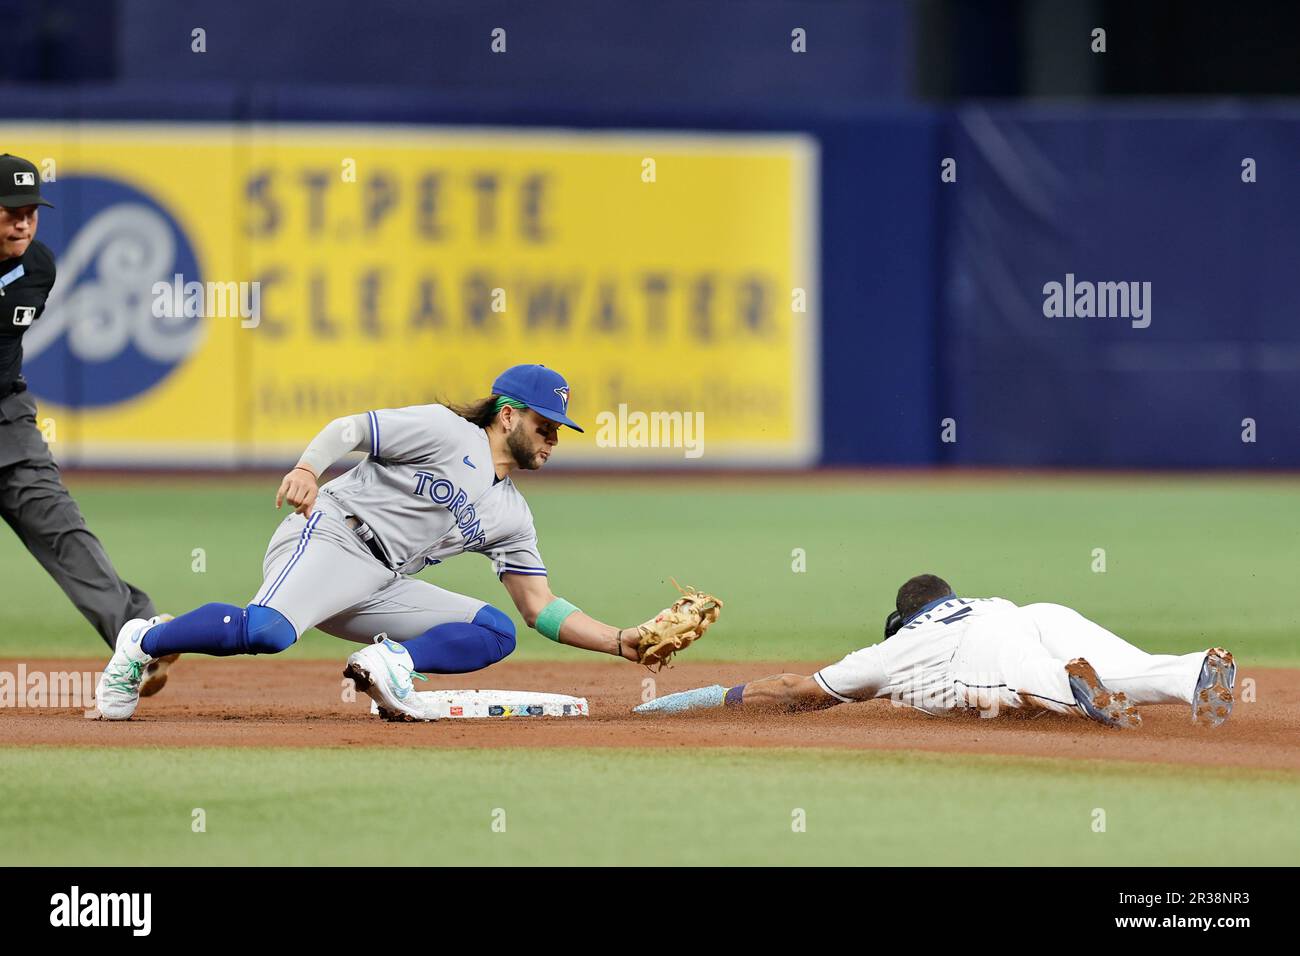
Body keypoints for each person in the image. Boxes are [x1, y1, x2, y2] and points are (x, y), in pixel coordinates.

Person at [94, 364, 681, 721]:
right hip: (330, 534)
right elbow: (351, 430)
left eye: (558, 430)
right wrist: (307, 468)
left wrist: (621, 641)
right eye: (544, 424)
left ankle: (392, 665)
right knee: (269, 633)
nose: (553, 438)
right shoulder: (446, 430)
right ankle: (143, 640)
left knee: (495, 631)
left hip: (381, 581)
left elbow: (539, 608)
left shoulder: (512, 514)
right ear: (507, 415)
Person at [634, 573, 1236, 729]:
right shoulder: (979, 602)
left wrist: (706, 697)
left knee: (1031, 682)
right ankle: (1192, 674)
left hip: (981, 652)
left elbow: (796, 691)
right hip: (1031, 613)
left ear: (902, 620)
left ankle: (1076, 690)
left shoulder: (896, 650)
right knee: (1127, 667)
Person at [0, 153, 174, 695]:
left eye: (30, 210)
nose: (22, 221)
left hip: (7, 417)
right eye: (9, 212)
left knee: (62, 528)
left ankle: (137, 639)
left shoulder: (37, 269)